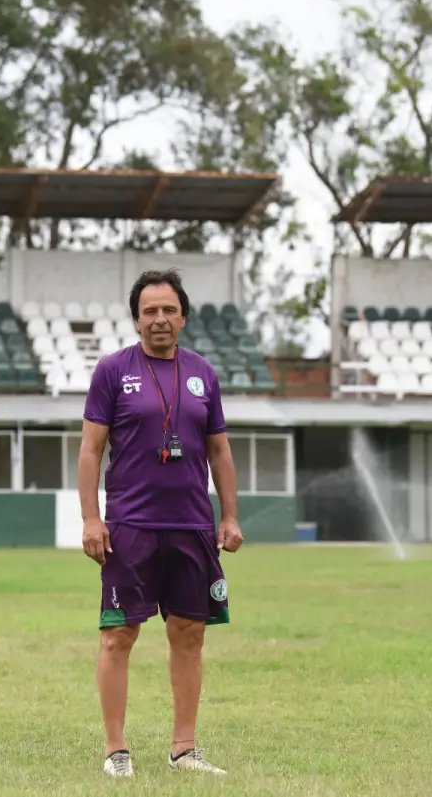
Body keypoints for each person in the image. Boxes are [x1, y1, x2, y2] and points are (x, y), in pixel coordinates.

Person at [78, 269, 244, 779]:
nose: (160, 319)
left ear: (184, 316)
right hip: (130, 525)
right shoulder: (112, 370)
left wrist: (230, 514)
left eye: (169, 310)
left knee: (189, 632)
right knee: (119, 634)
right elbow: (90, 448)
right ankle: (115, 750)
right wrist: (91, 517)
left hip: (192, 524)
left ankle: (184, 748)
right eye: (150, 311)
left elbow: (219, 448)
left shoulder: (203, 374)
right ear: (136, 319)